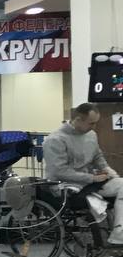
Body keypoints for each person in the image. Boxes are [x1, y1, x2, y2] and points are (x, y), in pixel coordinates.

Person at [43, 102, 123, 244]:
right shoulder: (55, 139)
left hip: (88, 183)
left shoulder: (91, 135)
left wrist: (109, 171)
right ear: (78, 120)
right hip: (65, 186)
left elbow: (97, 157)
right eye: (91, 123)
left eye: (95, 123)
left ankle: (119, 232)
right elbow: (59, 171)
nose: (94, 127)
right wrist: (92, 178)